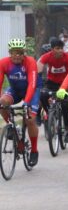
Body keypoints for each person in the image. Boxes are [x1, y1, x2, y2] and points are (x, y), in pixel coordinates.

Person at [0, 38, 41, 166]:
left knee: (29, 119)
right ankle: (12, 127)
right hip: (15, 90)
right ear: (10, 53)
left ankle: (34, 150)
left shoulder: (30, 62)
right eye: (14, 52)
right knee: (2, 102)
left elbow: (32, 84)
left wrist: (26, 102)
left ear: (24, 53)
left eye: (20, 52)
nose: (17, 55)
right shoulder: (3, 63)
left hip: (31, 90)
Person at [37, 38, 68, 143]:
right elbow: (37, 70)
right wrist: (36, 84)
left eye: (61, 48)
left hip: (66, 83)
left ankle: (67, 132)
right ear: (52, 49)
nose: (60, 51)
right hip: (52, 83)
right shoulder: (46, 56)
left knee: (64, 105)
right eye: (57, 48)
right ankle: (50, 114)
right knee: (42, 95)